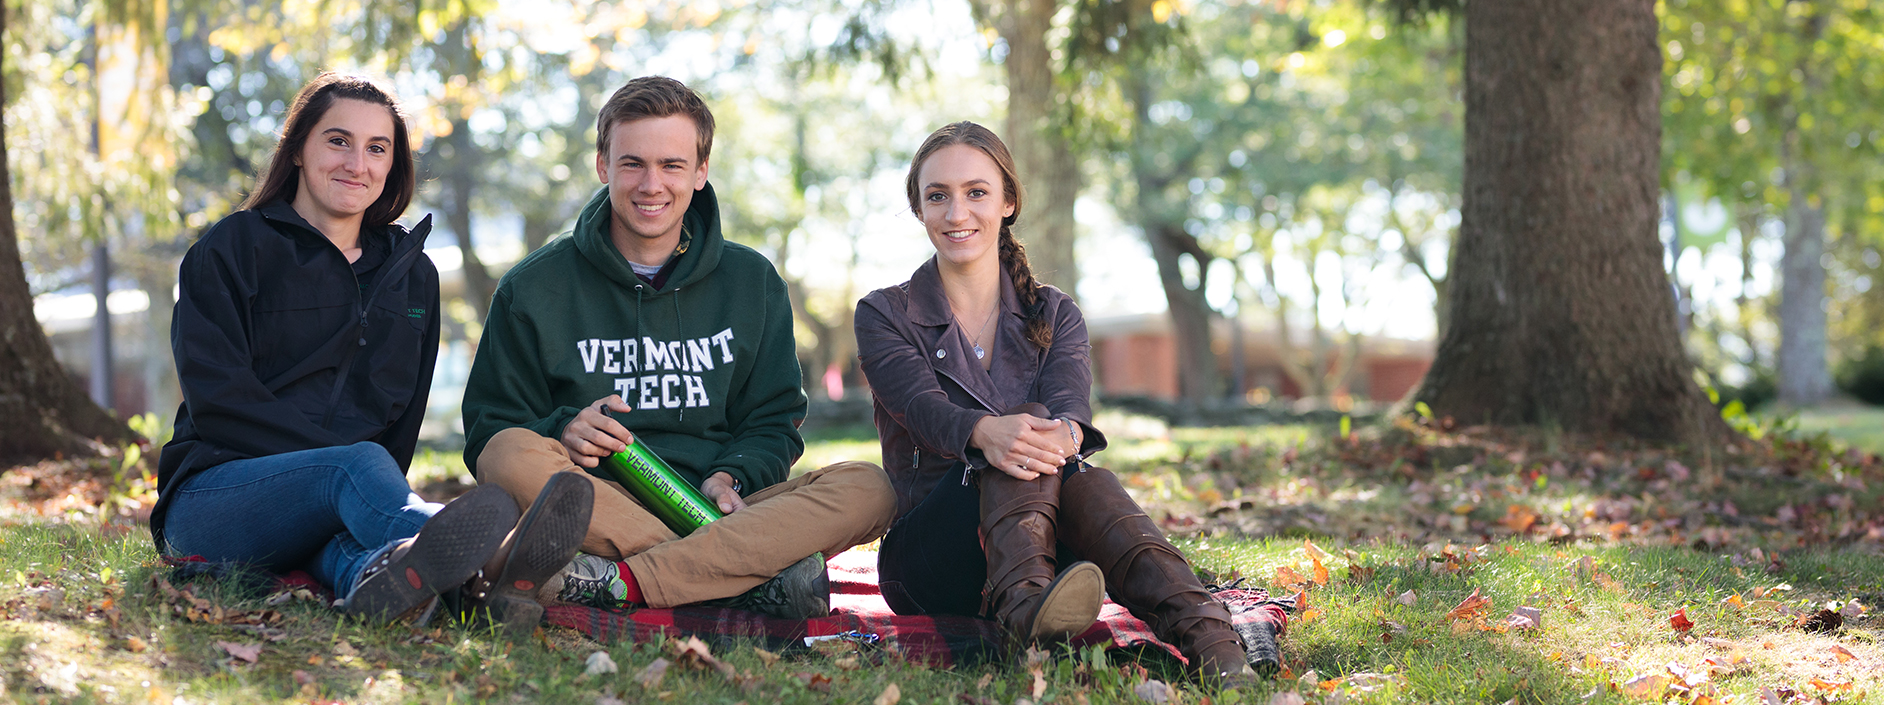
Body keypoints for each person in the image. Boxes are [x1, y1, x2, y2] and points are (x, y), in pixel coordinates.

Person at [152, 72, 594, 631]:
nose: (356, 163)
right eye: (337, 141)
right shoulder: (233, 248)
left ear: (392, 166)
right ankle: (489, 557)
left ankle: (410, 582)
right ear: (297, 151)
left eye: (376, 148)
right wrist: (345, 469)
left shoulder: (413, 279)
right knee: (356, 465)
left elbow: (401, 422)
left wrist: (357, 488)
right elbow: (218, 400)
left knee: (356, 545)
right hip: (214, 498)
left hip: (343, 506)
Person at [461, 76, 895, 620]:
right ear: (603, 167)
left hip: (721, 512)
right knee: (507, 454)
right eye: (632, 163)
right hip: (598, 507)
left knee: (869, 487)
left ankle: (622, 584)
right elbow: (490, 427)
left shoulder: (752, 281)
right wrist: (563, 430)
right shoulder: (533, 287)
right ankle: (743, 580)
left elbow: (773, 421)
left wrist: (733, 475)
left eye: (671, 165)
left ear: (700, 171)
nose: (651, 184)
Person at [855, 122, 1257, 686]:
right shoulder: (883, 314)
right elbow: (923, 411)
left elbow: (1072, 413)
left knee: (1066, 458)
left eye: (976, 192)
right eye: (937, 196)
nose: (956, 213)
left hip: (1052, 554)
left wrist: (1056, 435)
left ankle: (1210, 642)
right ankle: (1037, 612)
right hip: (931, 562)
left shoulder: (1055, 311)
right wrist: (988, 434)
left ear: (1008, 201)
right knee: (1024, 437)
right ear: (918, 209)